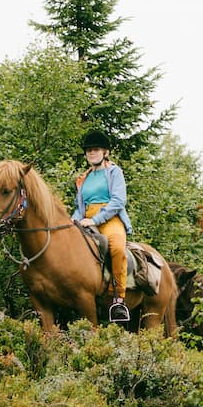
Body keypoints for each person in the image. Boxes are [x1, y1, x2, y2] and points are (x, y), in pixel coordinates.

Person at [73, 129, 132, 323]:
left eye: (96, 149)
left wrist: (96, 219)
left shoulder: (114, 172)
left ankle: (118, 300)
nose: (91, 153)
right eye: (89, 150)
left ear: (105, 152)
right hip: (86, 219)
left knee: (116, 249)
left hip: (110, 219)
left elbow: (118, 201)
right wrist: (73, 221)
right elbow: (79, 207)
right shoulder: (84, 178)